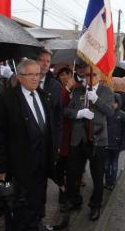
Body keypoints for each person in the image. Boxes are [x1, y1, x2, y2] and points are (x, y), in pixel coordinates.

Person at [0, 59, 57, 230]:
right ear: (19, 77)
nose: (35, 78)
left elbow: (49, 130)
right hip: (18, 168)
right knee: (18, 212)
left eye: (37, 74)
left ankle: (36, 224)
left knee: (37, 206)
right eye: (30, 75)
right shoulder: (7, 100)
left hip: (41, 167)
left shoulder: (43, 96)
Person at [63, 66, 114, 220]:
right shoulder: (78, 91)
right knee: (73, 173)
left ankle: (95, 205)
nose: (89, 78)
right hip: (78, 139)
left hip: (97, 139)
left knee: (97, 175)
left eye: (93, 75)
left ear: (99, 76)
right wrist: (78, 113)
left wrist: (96, 100)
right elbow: (66, 111)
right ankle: (75, 200)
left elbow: (110, 112)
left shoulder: (106, 91)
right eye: (86, 75)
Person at [55, 67, 76, 205]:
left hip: (73, 132)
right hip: (61, 133)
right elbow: (58, 107)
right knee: (60, 165)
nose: (65, 77)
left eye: (67, 74)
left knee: (72, 166)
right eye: (62, 75)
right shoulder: (58, 89)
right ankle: (62, 191)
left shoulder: (77, 89)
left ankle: (70, 194)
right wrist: (67, 90)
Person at [36, 49, 63, 152]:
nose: (45, 64)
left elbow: (58, 116)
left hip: (48, 139)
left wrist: (57, 143)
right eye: (41, 60)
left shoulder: (55, 86)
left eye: (48, 61)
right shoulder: (24, 83)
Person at [104, 93, 125, 190]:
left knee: (114, 165)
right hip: (106, 143)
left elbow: (124, 131)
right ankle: (107, 181)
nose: (113, 104)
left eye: (115, 103)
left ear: (118, 103)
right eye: (111, 102)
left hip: (116, 144)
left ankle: (112, 182)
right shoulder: (106, 113)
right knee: (106, 165)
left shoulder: (122, 115)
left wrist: (123, 144)